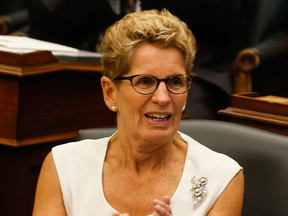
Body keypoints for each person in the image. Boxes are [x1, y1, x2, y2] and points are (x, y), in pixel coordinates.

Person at [32, 9, 244, 216]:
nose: (162, 98)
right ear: (110, 93)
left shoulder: (222, 178)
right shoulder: (63, 166)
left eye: (175, 82)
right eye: (144, 81)